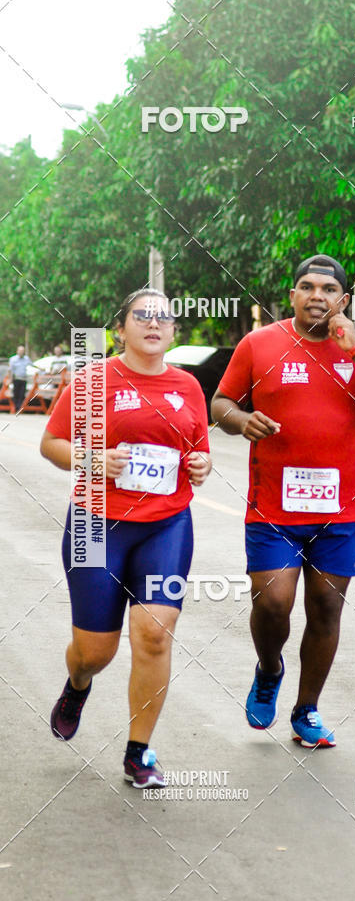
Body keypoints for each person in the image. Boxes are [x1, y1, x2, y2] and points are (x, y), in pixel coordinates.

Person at [211, 254, 355, 748]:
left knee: (325, 608)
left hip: (338, 512)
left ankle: (307, 710)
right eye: (307, 287)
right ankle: (268, 667)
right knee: (274, 603)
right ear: (293, 295)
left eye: (328, 289)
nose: (317, 296)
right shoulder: (259, 344)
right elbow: (221, 402)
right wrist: (241, 422)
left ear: (343, 300)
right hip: (272, 508)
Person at [40, 288, 211, 787]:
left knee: (155, 636)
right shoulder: (93, 380)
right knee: (96, 651)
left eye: (164, 318)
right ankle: (78, 684)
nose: (153, 324)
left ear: (174, 330)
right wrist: (94, 460)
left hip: (166, 524)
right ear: (122, 327)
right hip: (97, 524)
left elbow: (198, 450)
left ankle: (140, 752)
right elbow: (51, 443)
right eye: (143, 316)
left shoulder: (188, 385)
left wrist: (202, 463)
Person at [9, 344, 32, 412]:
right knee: (16, 394)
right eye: (20, 350)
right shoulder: (13, 359)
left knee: (22, 394)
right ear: (17, 351)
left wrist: (41, 369)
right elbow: (10, 370)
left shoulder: (26, 358)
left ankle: (19, 407)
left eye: (23, 351)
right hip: (16, 379)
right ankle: (17, 407)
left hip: (23, 379)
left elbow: (32, 364)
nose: (21, 352)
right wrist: (10, 379)